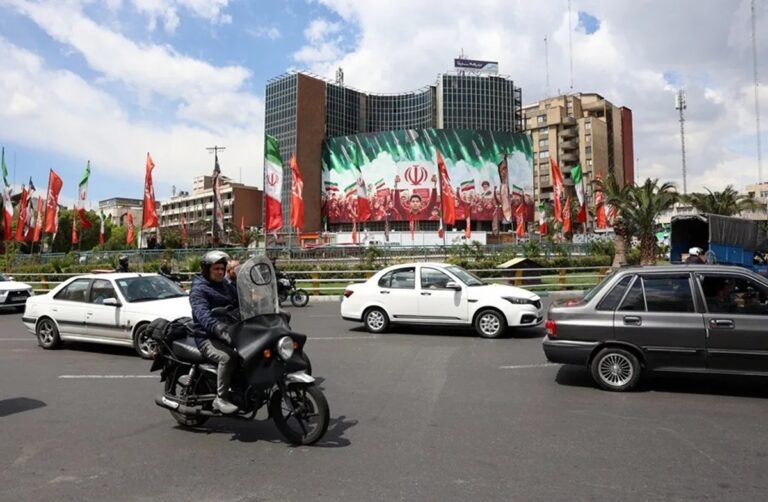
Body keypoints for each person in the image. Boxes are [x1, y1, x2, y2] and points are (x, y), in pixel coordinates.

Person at [189, 251, 240, 414]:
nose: (220, 272)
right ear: (206, 270)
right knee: (227, 357)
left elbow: (239, 301)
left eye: (222, 269)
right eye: (216, 269)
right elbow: (203, 316)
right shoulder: (199, 290)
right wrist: (218, 328)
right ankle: (221, 398)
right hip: (207, 337)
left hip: (230, 331)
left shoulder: (225, 285)